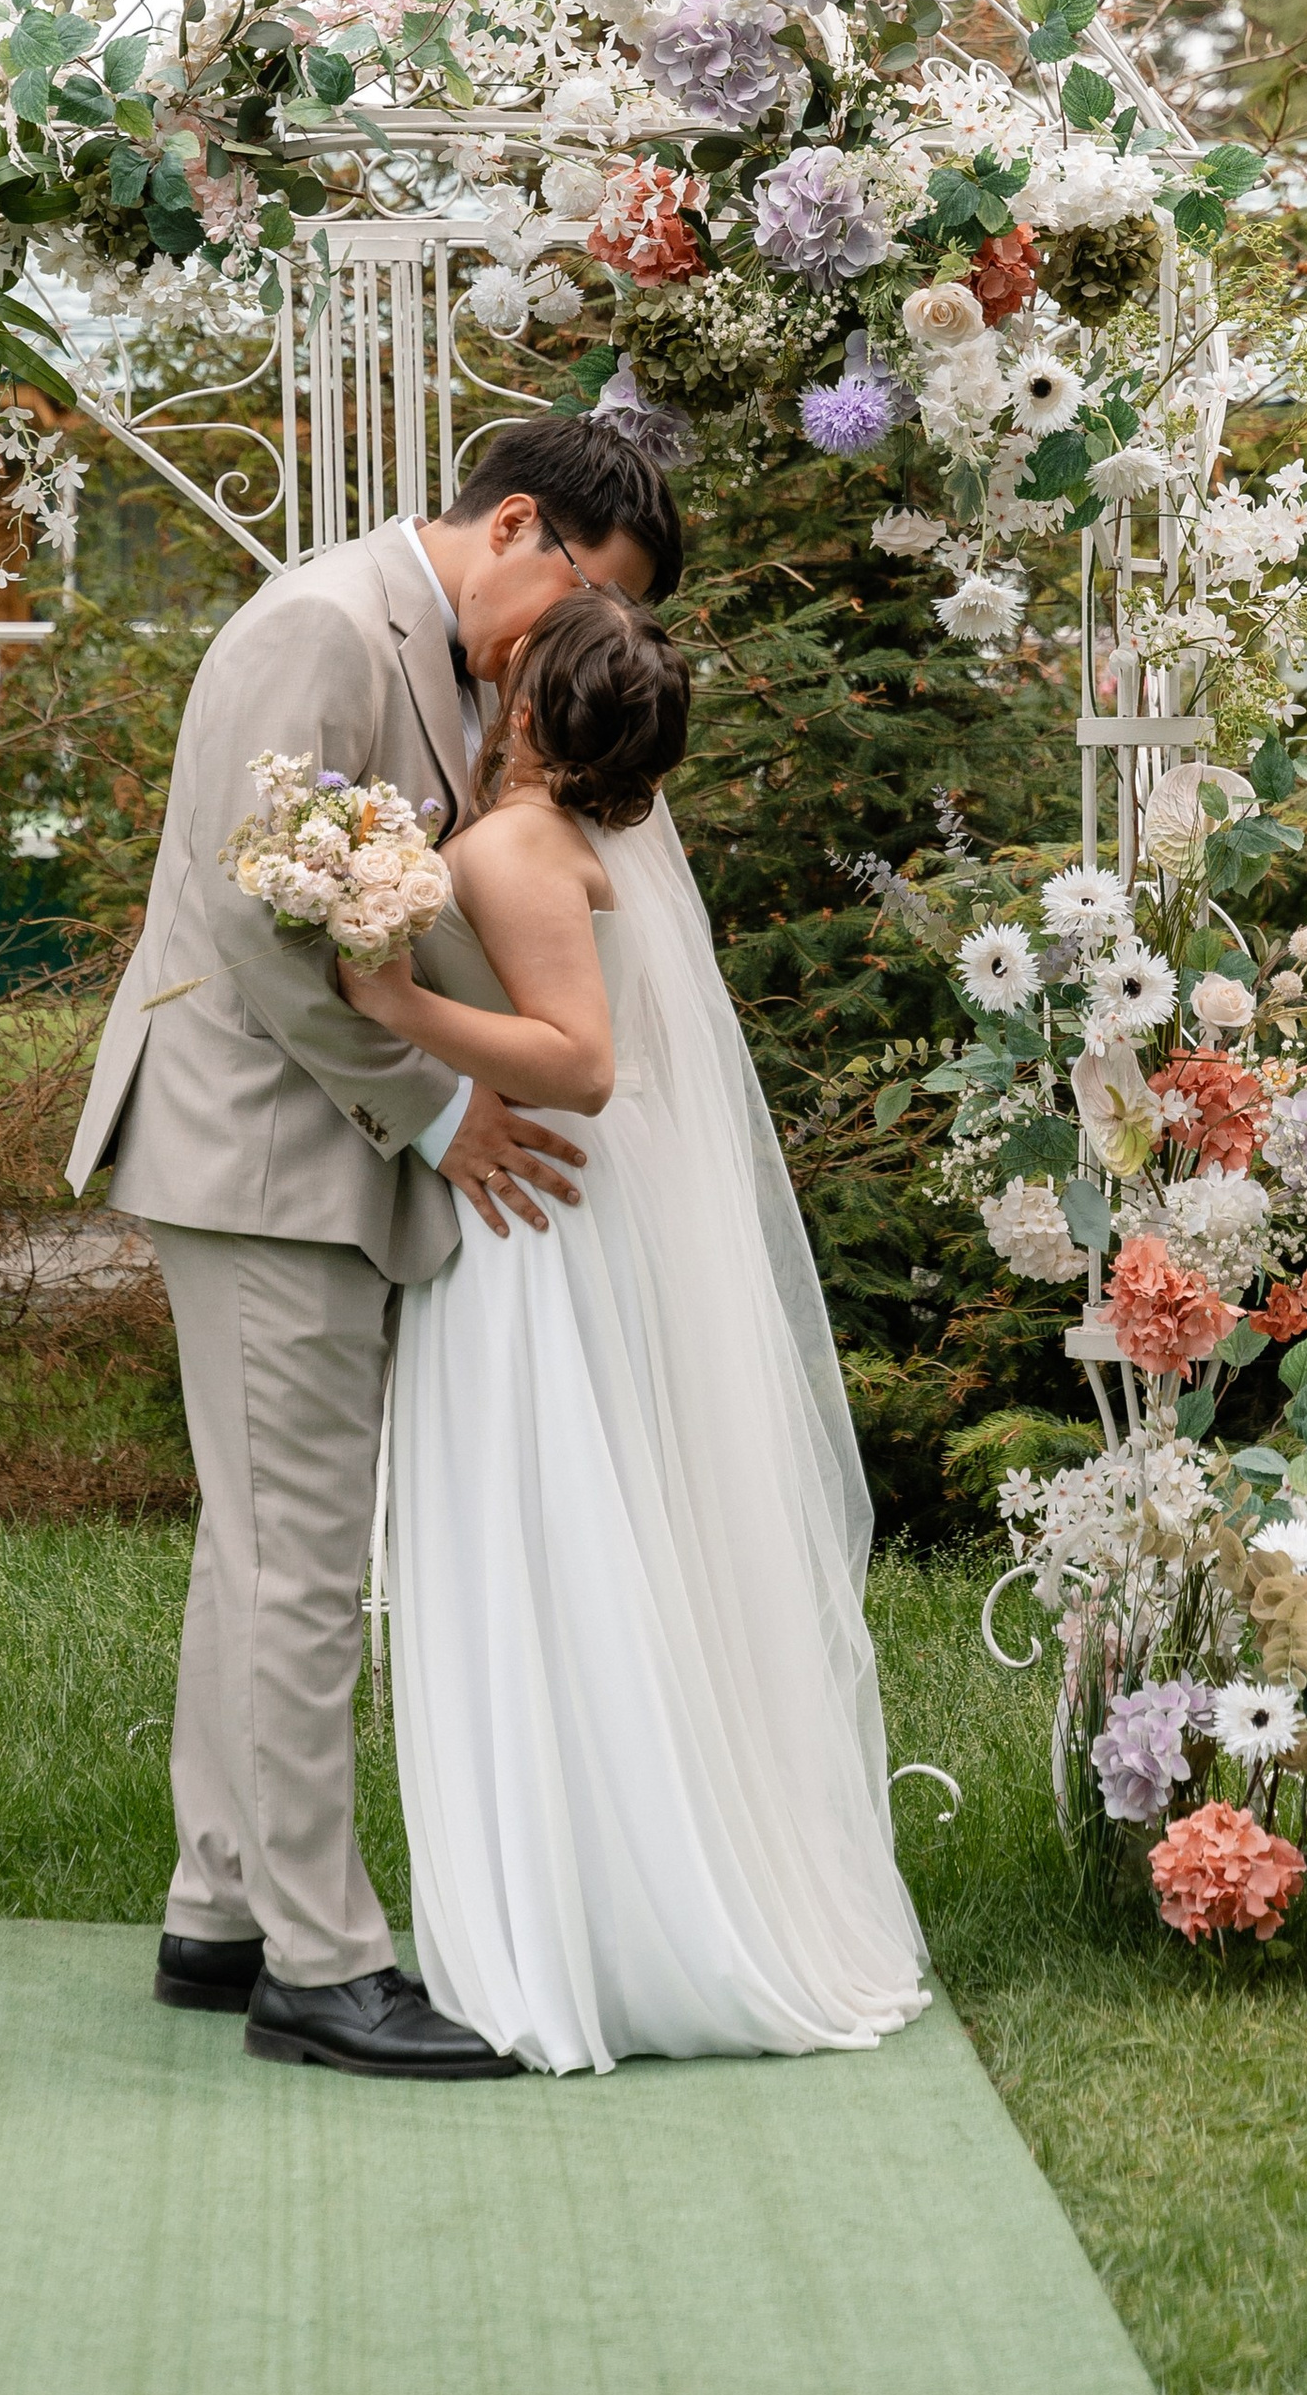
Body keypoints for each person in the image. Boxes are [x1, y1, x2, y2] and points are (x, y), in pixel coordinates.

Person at [64, 418, 683, 2081]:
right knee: (305, 1562)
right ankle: (323, 1968)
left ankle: (219, 1908)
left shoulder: (437, 645)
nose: (553, 653)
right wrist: (436, 1111)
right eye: (574, 605)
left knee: (259, 1537)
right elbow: (259, 928)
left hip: (293, 1152)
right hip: (268, 1154)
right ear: (522, 524)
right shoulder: (322, 629)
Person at [338, 587, 929, 2076]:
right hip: (555, 1223)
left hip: (535, 1234)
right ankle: (581, 1905)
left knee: (543, 1554)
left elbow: (581, 1065)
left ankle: (591, 1938)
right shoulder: (577, 842)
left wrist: (395, 1004)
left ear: (533, 712)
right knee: (565, 1549)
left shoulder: (519, 849)